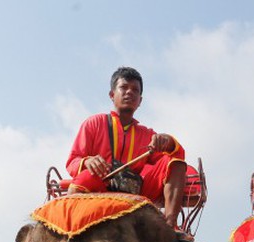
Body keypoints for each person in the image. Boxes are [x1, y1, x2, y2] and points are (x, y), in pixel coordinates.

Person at [66, 66, 188, 231]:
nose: (129, 92)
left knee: (174, 162)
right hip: (101, 184)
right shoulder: (94, 123)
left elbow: (177, 157)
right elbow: (72, 162)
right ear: (112, 95)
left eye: (135, 90)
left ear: (140, 100)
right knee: (86, 177)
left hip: (136, 191)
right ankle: (69, 227)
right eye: (123, 87)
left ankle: (170, 226)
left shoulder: (147, 134)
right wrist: (88, 162)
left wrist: (168, 142)